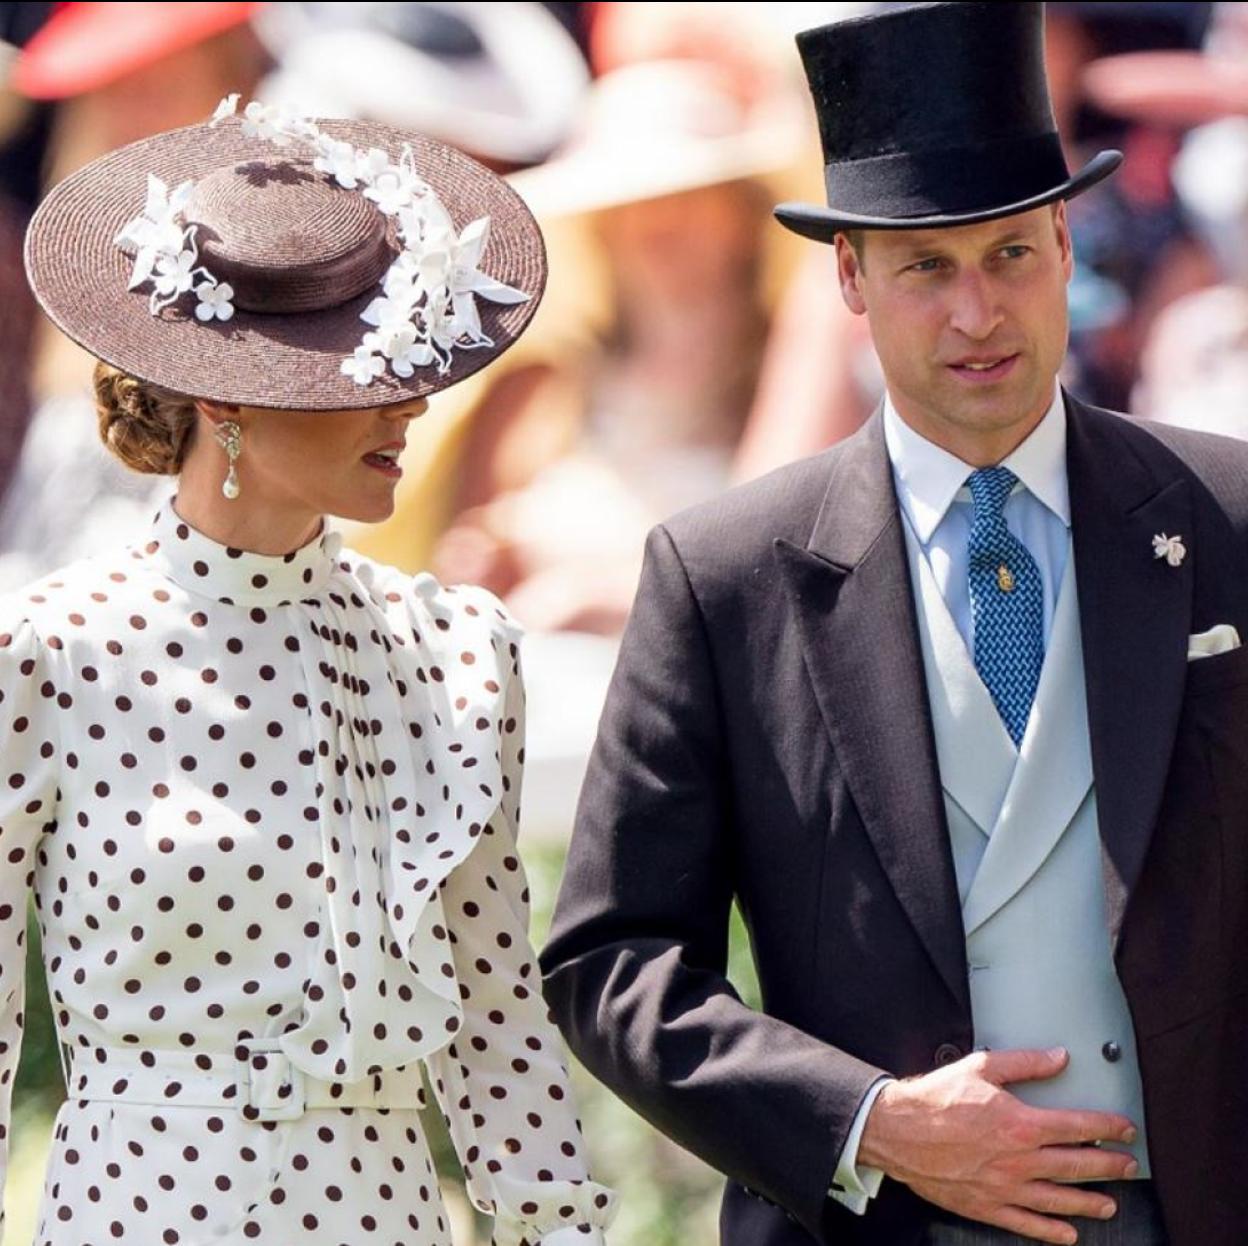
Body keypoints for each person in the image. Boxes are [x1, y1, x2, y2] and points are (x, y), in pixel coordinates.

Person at [539, 5, 1248, 1246]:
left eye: (1010, 256)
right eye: (927, 266)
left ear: (1068, 242)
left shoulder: (1231, 513)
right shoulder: (724, 576)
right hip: (874, 1227)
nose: (977, 314)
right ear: (851, 278)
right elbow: (611, 962)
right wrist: (866, 1121)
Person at [8, 97, 617, 1245]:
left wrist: (556, 1231)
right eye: (360, 374)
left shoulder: (457, 655)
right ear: (224, 397)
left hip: (383, 1210)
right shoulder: (53, 651)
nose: (415, 401)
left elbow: (500, 1028)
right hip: (140, 1212)